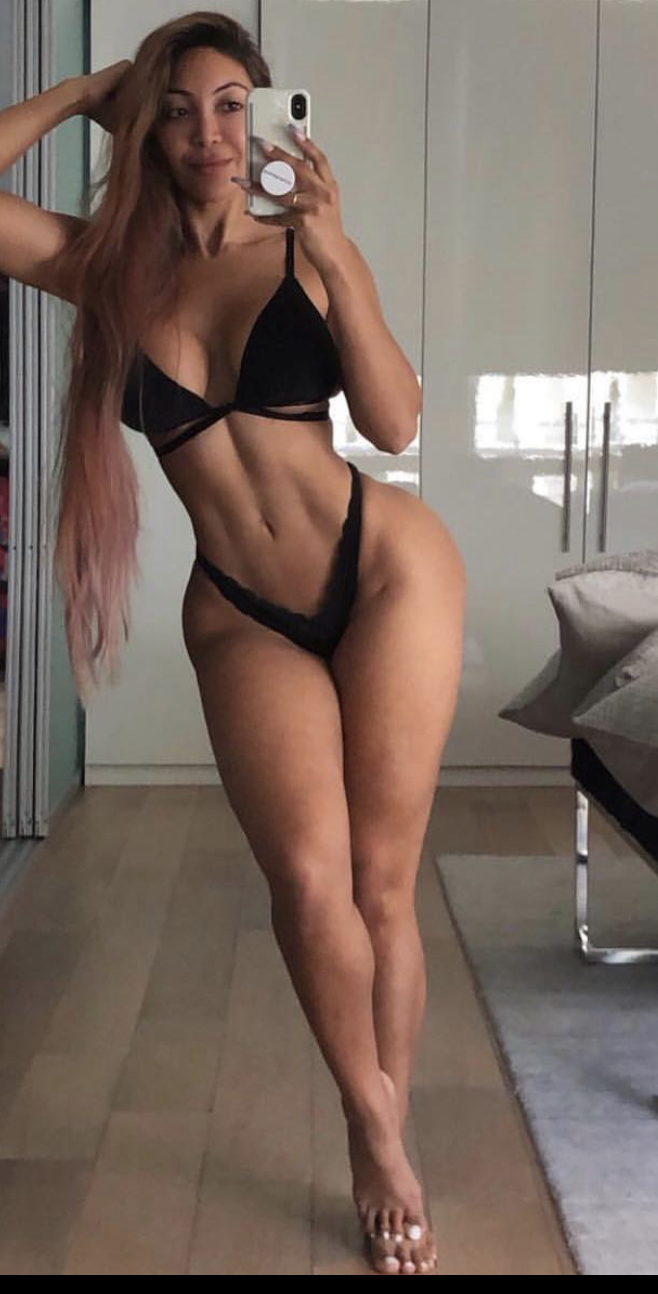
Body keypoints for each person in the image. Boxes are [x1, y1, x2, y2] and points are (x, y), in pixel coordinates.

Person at [0, 9, 466, 1276]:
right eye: (176, 109)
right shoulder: (107, 269)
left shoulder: (301, 248)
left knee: (381, 881)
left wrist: (338, 256)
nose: (208, 133)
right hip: (241, 611)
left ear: (258, 116)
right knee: (308, 882)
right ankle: (372, 1120)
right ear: (143, 129)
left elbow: (394, 418)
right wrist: (88, 85)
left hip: (382, 570)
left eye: (228, 105)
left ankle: (382, 1136)